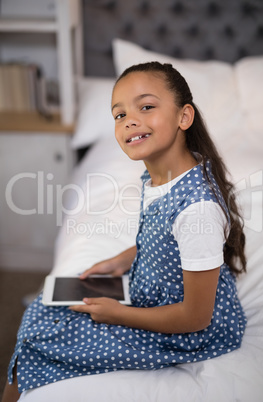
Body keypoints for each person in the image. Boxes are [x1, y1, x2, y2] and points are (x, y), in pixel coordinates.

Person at [2, 62, 247, 401]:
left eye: (146, 107)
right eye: (119, 115)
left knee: (33, 343)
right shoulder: (162, 175)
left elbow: (195, 317)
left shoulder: (198, 210)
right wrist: (121, 260)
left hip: (187, 331)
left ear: (183, 117)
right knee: (45, 307)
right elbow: (166, 237)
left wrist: (118, 314)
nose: (129, 120)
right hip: (154, 292)